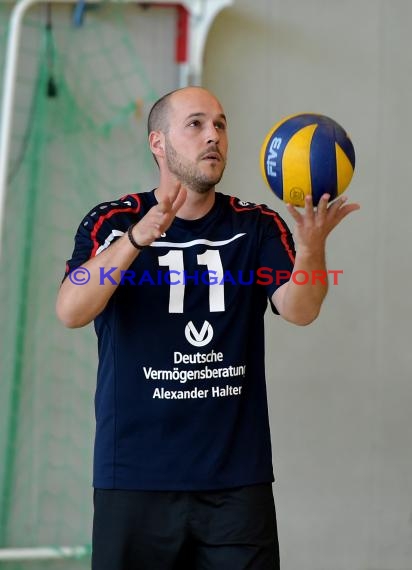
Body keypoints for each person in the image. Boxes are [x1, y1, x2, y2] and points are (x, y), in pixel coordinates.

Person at [56, 86, 359, 570]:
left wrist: (311, 248)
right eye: (195, 124)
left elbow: (301, 309)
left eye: (219, 124)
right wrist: (138, 238)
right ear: (158, 143)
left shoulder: (257, 225)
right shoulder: (113, 221)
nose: (213, 135)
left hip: (236, 484)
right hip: (135, 477)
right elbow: (71, 310)